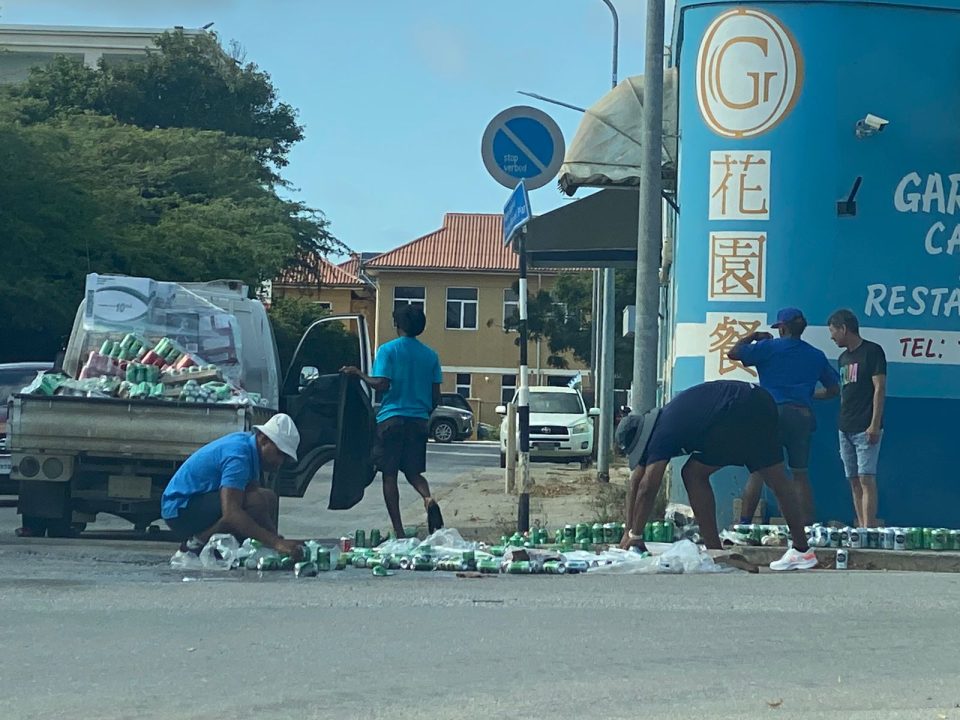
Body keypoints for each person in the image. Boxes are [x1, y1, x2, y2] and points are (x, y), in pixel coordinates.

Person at [616, 380, 817, 571]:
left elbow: (648, 486)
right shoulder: (665, 420)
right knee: (777, 479)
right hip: (759, 401)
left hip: (737, 409)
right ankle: (802, 549)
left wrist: (636, 533)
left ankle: (715, 550)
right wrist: (628, 530)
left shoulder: (660, 434)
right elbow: (637, 481)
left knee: (693, 473)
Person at [727, 307, 840, 525]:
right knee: (800, 474)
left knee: (758, 472)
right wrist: (808, 395)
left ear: (783, 328)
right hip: (801, 415)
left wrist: (753, 336)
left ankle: (745, 525)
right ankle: (806, 527)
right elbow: (834, 390)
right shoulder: (815, 355)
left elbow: (733, 352)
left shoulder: (767, 348)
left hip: (770, 413)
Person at [341, 304, 444, 538]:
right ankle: (428, 498)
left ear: (397, 325)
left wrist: (359, 374)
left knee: (389, 475)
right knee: (414, 472)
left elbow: (382, 384)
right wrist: (425, 412)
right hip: (418, 421)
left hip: (391, 420)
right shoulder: (431, 356)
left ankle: (399, 532)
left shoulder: (388, 351)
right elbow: (436, 395)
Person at [161, 413, 305, 558]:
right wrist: (275, 543)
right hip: (180, 510)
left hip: (196, 502)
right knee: (248, 505)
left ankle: (234, 544)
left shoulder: (250, 447)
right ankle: (196, 542)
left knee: (268, 498)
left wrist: (278, 541)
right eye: (279, 453)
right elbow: (231, 513)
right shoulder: (238, 456)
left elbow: (255, 497)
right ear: (263, 439)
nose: (279, 462)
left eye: (284, 457)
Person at [828, 308, 887, 527]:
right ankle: (861, 527)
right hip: (845, 427)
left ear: (844, 328)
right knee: (853, 479)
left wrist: (874, 424)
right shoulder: (843, 358)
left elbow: (879, 388)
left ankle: (869, 529)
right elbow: (844, 393)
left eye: (833, 331)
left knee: (866, 478)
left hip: (866, 426)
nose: (832, 337)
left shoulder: (872, 352)